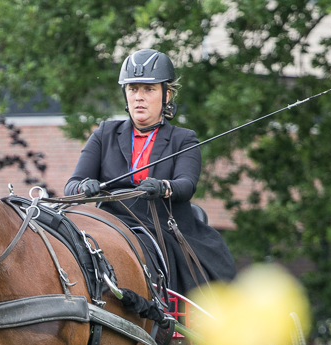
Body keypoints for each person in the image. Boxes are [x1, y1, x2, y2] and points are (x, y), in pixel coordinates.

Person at [65, 49, 236, 293]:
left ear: (166, 95)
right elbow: (72, 184)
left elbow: (186, 184)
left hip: (163, 225)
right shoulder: (104, 134)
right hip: (113, 222)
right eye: (133, 89)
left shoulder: (184, 139)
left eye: (149, 89)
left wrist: (164, 187)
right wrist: (84, 187)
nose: (139, 98)